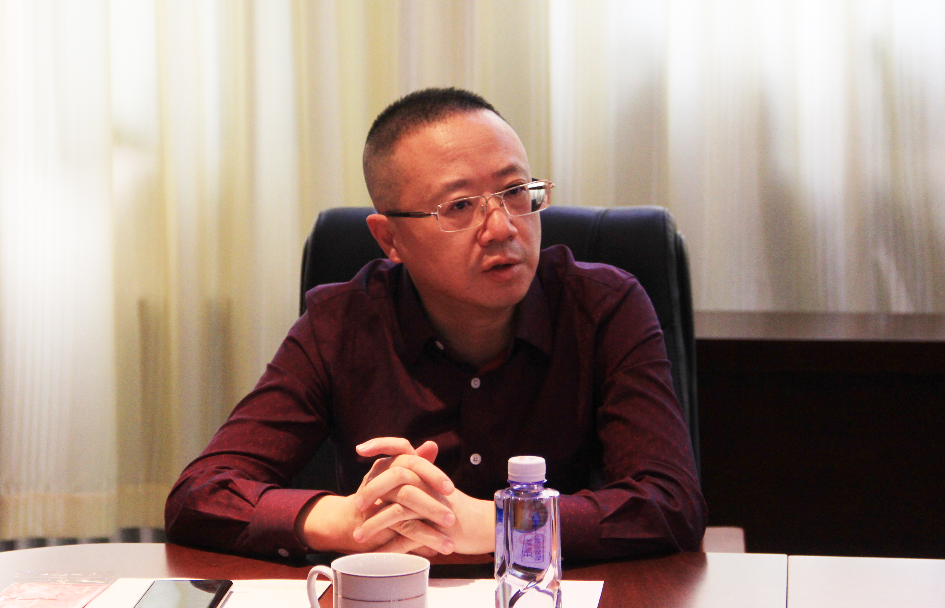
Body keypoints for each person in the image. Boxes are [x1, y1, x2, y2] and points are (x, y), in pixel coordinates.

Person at [165, 87, 706, 561]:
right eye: (460, 206)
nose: (502, 228)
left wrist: (500, 524)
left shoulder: (604, 307)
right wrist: (347, 520)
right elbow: (200, 495)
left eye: (515, 192)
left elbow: (671, 502)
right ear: (390, 239)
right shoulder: (341, 323)